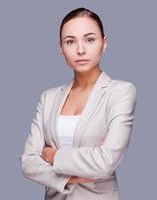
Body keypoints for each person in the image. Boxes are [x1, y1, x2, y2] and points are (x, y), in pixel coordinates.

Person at [20, 7, 137, 200]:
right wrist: (71, 179)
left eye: (89, 39)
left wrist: (53, 156)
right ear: (60, 48)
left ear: (104, 43)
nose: (80, 49)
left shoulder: (121, 92)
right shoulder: (48, 98)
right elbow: (28, 162)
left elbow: (106, 161)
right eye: (70, 41)